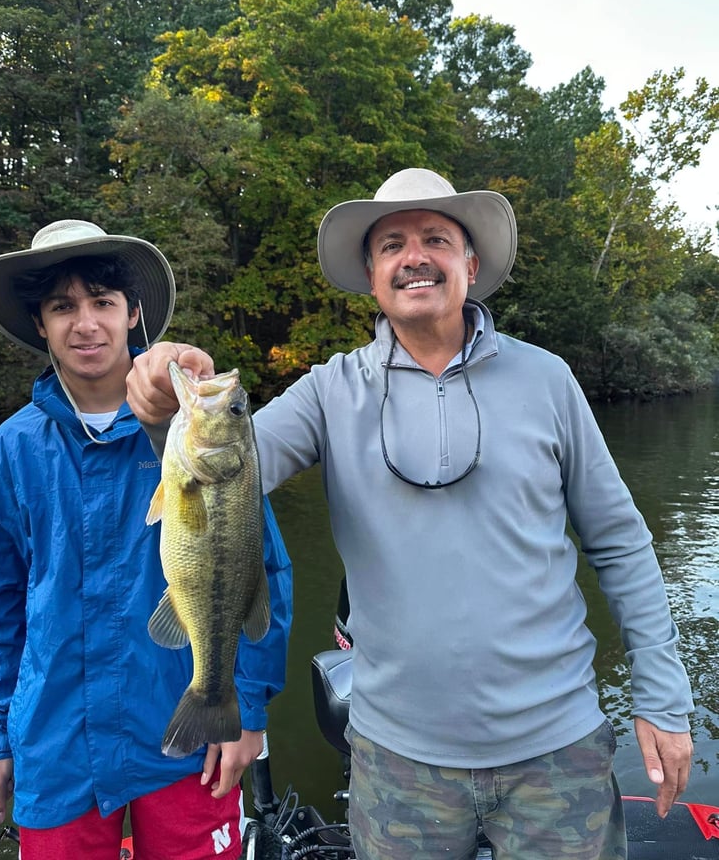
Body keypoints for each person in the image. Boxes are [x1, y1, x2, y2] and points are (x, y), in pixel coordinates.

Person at [126, 168, 694, 860]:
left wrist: (662, 699)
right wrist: (161, 406)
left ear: (470, 264)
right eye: (392, 244)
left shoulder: (549, 379)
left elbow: (622, 543)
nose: (414, 256)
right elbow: (227, 472)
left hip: (558, 749)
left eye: (436, 238)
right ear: (372, 276)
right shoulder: (327, 391)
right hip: (396, 760)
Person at [0, 220, 292, 860]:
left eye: (103, 303)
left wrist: (246, 709)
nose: (85, 323)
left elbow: (260, 572)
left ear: (133, 314)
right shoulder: (12, 447)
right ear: (40, 322)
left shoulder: (184, 430)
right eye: (63, 306)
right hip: (56, 746)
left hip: (185, 742)